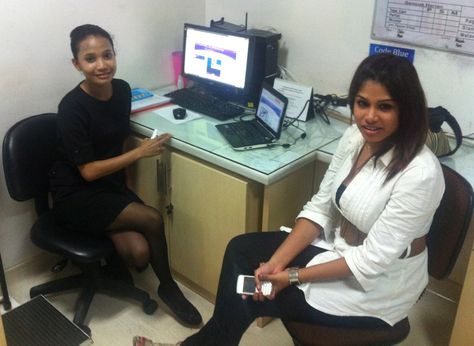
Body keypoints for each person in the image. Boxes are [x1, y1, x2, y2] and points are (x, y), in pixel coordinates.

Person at [133, 53, 445, 346]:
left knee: (250, 295)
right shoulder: (354, 137)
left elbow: (370, 261)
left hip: (379, 284)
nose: (370, 117)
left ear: (407, 109)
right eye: (362, 103)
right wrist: (276, 263)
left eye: (385, 107)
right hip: (341, 249)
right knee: (241, 250)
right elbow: (321, 206)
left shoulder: (420, 173)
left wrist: (291, 276)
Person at [49, 24, 202, 327]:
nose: (102, 65)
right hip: (75, 194)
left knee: (140, 255)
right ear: (77, 64)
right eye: (90, 59)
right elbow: (88, 171)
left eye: (107, 55)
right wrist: (139, 154)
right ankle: (169, 289)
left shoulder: (121, 90)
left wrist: (127, 188)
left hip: (109, 184)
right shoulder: (71, 108)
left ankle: (108, 242)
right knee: (152, 219)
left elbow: (118, 140)